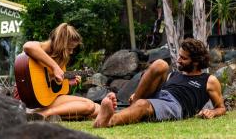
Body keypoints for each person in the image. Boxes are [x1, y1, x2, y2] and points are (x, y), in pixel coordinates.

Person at [94, 38, 226, 128]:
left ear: (196, 61)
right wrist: (137, 93)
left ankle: (109, 121)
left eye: (183, 58)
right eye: (179, 55)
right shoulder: (174, 75)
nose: (178, 60)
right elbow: (153, 83)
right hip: (159, 96)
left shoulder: (208, 80)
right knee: (160, 64)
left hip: (175, 105)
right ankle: (133, 103)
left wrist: (213, 112)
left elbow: (221, 107)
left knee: (143, 104)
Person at [14, 23, 100, 120]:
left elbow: (51, 85)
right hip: (32, 100)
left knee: (98, 109)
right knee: (89, 106)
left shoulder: (60, 58)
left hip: (46, 100)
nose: (71, 52)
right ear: (61, 44)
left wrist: (67, 82)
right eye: (69, 48)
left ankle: (43, 114)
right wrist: (55, 67)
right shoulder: (40, 47)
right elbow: (28, 46)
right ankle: (43, 114)